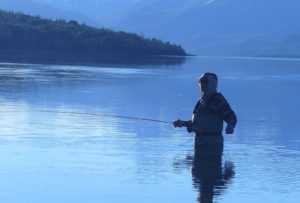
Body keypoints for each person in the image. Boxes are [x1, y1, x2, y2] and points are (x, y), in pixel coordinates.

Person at [173, 72, 237, 147]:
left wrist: (230, 126)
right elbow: (197, 124)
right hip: (198, 142)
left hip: (213, 143)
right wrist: (183, 123)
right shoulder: (200, 101)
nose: (202, 84)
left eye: (205, 82)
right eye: (200, 82)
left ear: (212, 84)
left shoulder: (218, 100)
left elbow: (231, 116)